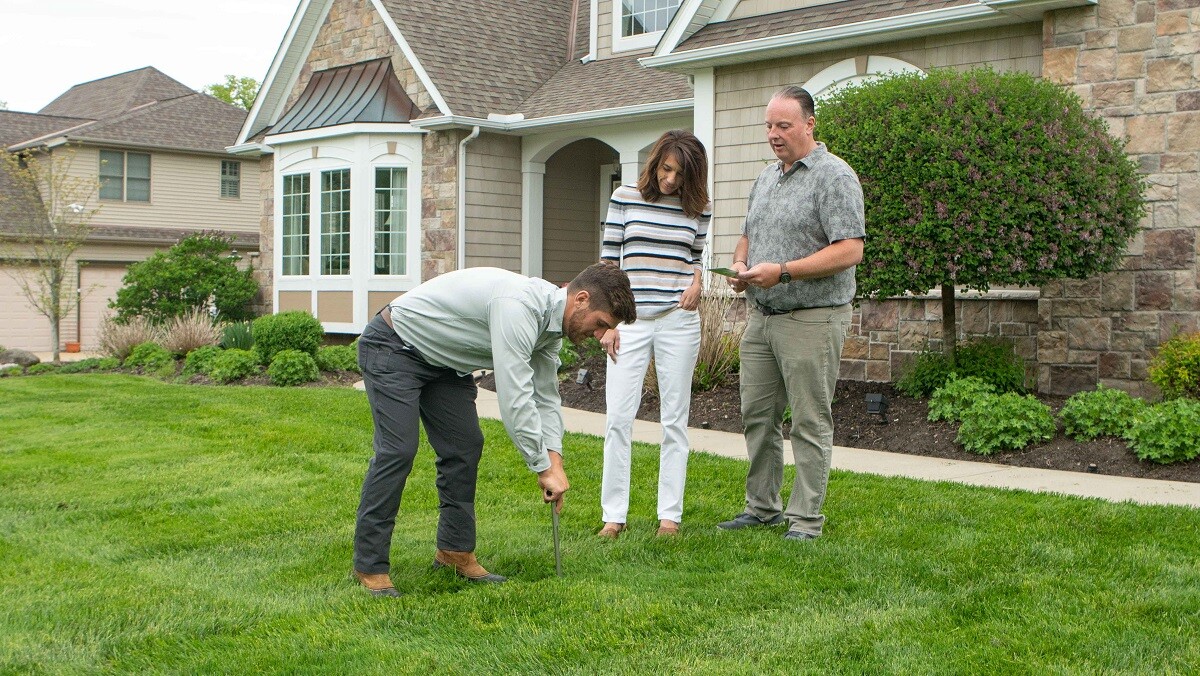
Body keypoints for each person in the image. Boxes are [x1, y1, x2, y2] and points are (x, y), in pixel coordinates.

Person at [352, 263, 637, 596]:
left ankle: (454, 552)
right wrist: (541, 466)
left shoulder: (550, 330)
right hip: (395, 345)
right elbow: (515, 396)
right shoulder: (519, 306)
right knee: (398, 450)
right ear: (581, 299)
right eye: (601, 323)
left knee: (465, 446)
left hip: (445, 364)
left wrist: (554, 461)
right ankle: (369, 564)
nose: (600, 334)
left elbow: (545, 397)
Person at [719, 86, 865, 541]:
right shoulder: (766, 177)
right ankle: (762, 508)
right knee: (757, 417)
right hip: (761, 318)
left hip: (813, 317)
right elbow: (747, 235)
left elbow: (850, 249)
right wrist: (741, 265)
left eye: (783, 125)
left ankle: (805, 520)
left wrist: (783, 272)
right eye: (768, 126)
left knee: (808, 421)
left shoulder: (834, 177)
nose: (774, 134)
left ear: (809, 124)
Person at [597, 130, 712, 539]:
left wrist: (698, 282)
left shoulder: (698, 209)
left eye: (681, 175)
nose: (670, 180)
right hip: (630, 322)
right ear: (655, 163)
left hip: (677, 322)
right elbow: (608, 262)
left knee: (675, 421)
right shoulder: (624, 198)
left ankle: (670, 517)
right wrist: (608, 323)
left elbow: (696, 257)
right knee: (618, 418)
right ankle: (614, 515)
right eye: (666, 169)